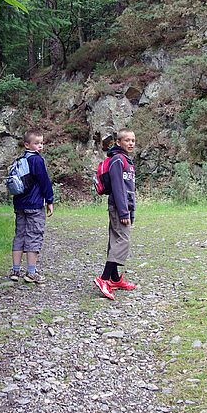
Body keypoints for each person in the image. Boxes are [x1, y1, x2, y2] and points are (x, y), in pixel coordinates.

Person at [94, 128, 137, 300]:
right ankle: (104, 278)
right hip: (119, 207)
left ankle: (114, 278)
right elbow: (118, 188)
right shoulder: (117, 161)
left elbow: (129, 188)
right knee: (122, 240)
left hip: (125, 206)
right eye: (127, 140)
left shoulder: (127, 160)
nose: (131, 143)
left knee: (115, 239)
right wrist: (123, 211)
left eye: (133, 140)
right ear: (118, 142)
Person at [8, 129, 54, 284]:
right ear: (27, 144)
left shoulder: (20, 160)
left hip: (19, 204)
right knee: (34, 235)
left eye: (41, 143)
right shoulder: (37, 160)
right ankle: (31, 273)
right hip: (34, 205)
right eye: (36, 143)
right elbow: (44, 182)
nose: (40, 146)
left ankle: (15, 270)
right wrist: (50, 200)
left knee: (19, 235)